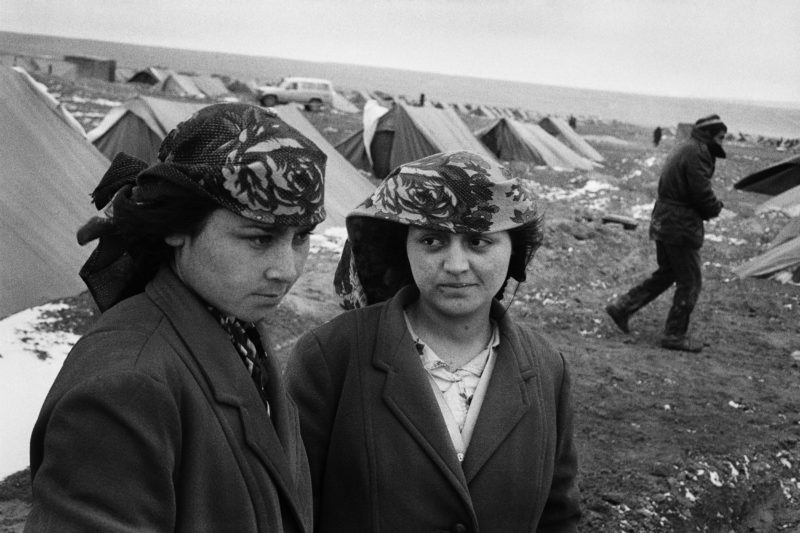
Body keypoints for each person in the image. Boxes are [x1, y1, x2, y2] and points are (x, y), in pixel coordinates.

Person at [25, 103, 327, 532]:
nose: (288, 269)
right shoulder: (126, 384)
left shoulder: (234, 328)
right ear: (176, 228)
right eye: (259, 238)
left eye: (300, 238)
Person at [286, 151, 581, 532]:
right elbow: (293, 509)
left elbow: (558, 517)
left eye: (478, 241)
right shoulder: (331, 356)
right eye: (431, 241)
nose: (456, 265)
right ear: (402, 248)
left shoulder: (546, 369)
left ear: (515, 252)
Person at [605, 114, 726, 352]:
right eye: (721, 137)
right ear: (710, 134)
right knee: (690, 281)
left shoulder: (688, 147)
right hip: (679, 224)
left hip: (666, 220)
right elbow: (700, 191)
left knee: (668, 272)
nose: (723, 143)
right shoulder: (698, 152)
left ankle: (622, 307)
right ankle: (674, 335)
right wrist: (715, 207)